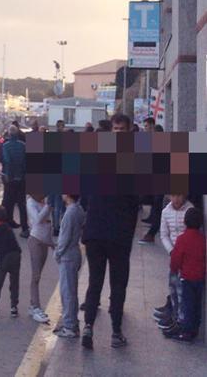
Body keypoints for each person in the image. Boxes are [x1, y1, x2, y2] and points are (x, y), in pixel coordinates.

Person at [81, 113, 139, 350]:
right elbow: (136, 201)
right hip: (117, 235)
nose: (118, 133)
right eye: (116, 129)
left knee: (95, 281)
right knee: (117, 284)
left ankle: (88, 327)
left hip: (96, 231)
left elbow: (84, 195)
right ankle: (115, 332)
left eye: (120, 130)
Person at [154, 194, 194, 334]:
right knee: (173, 287)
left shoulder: (190, 210)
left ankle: (181, 321)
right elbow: (164, 234)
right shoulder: (166, 212)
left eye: (180, 195)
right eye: (173, 195)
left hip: (187, 257)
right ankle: (175, 316)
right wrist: (171, 251)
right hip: (174, 256)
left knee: (182, 290)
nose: (176, 199)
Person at [166, 207, 206, 342]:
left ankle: (187, 332)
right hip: (200, 278)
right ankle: (195, 327)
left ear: (185, 222)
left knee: (187, 304)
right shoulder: (203, 240)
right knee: (197, 304)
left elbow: (176, 258)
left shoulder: (182, 239)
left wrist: (173, 269)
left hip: (187, 278)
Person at [54, 194, 84, 338]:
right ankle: (72, 322)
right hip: (74, 252)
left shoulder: (70, 212)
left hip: (67, 255)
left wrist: (57, 253)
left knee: (67, 292)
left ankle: (69, 325)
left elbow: (64, 236)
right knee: (71, 291)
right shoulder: (78, 209)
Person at [26, 193, 54, 324]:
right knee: (36, 275)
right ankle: (35, 307)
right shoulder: (31, 202)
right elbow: (37, 220)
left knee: (39, 274)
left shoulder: (43, 202)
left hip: (45, 241)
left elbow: (48, 224)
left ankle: (33, 305)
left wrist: (52, 244)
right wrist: (48, 206)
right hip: (35, 240)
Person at [1, 126, 29, 238]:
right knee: (22, 203)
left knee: (9, 202)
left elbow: (7, 161)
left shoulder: (6, 146)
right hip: (21, 177)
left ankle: (7, 225)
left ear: (9, 134)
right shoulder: (23, 145)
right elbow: (26, 162)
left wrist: (8, 175)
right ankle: (25, 228)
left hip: (10, 177)